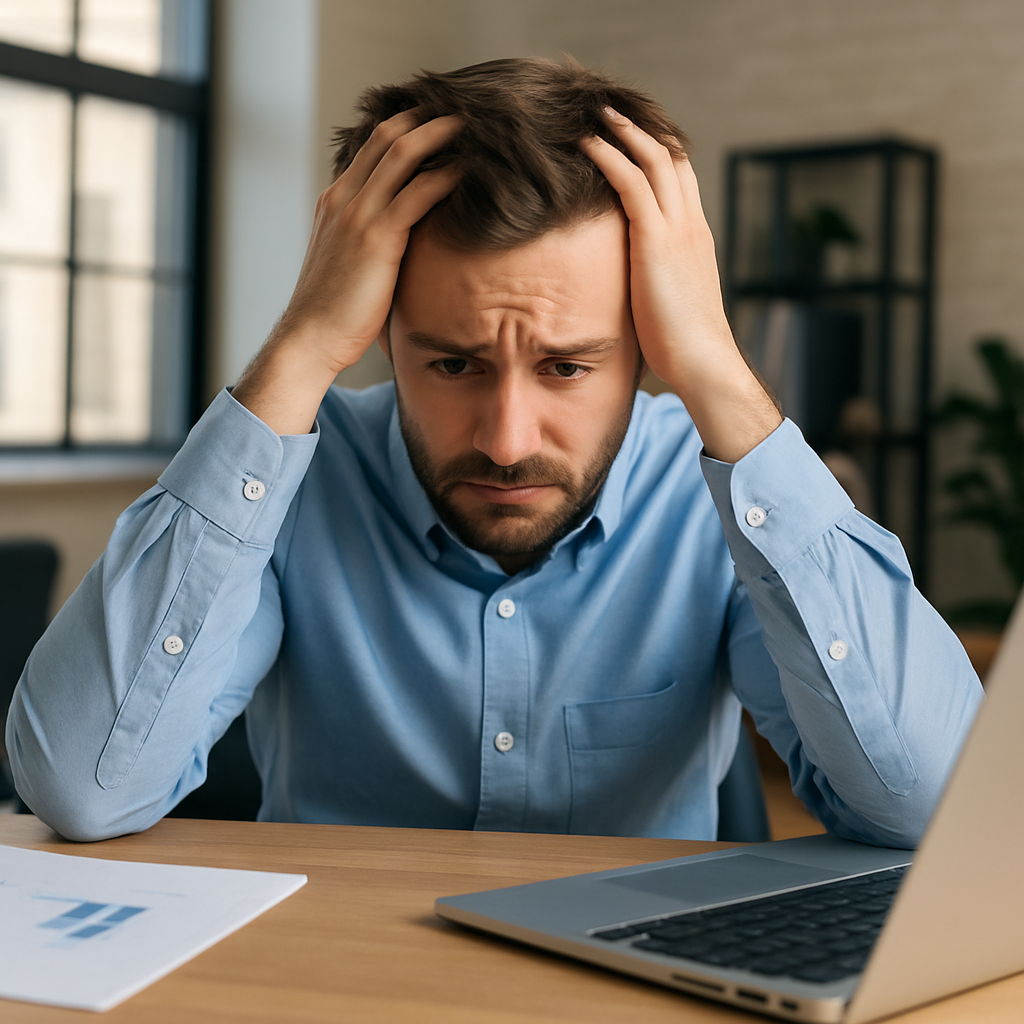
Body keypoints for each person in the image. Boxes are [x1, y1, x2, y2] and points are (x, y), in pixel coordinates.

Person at [8, 58, 981, 845]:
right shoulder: (296, 477)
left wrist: (718, 369)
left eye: (566, 367)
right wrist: (300, 344)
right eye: (453, 364)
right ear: (381, 330)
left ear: (646, 346)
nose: (507, 441)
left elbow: (933, 811)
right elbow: (82, 790)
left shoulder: (713, 493)